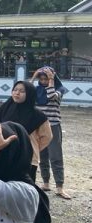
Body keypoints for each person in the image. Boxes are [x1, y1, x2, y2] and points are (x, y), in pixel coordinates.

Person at [0, 81, 52, 185]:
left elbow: (47, 136)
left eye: (22, 91)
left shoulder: (38, 116)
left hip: (27, 158)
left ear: (29, 94)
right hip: (4, 154)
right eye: (15, 90)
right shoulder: (4, 109)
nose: (17, 93)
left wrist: (31, 147)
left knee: (24, 188)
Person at [32, 67, 69, 199]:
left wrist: (52, 80)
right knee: (42, 156)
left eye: (45, 79)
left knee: (56, 156)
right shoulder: (36, 91)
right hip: (39, 127)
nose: (43, 81)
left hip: (53, 126)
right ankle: (46, 183)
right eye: (41, 79)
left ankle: (59, 186)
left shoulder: (59, 90)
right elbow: (25, 90)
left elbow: (51, 96)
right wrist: (33, 77)